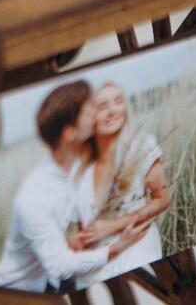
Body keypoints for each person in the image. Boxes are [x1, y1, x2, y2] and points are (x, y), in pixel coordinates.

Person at [0, 81, 149, 294]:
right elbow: (61, 266)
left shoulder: (73, 166)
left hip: (51, 279)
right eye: (89, 112)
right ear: (69, 134)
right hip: (20, 293)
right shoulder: (35, 198)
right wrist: (117, 248)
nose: (96, 113)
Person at [70, 82, 170, 286]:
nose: (113, 110)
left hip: (137, 250)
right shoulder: (82, 172)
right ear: (90, 118)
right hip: (96, 263)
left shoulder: (141, 146)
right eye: (103, 106)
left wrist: (114, 225)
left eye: (118, 101)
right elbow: (85, 233)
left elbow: (162, 199)